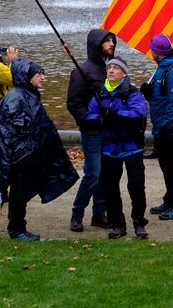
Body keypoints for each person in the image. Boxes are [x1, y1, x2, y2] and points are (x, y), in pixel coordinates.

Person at [0, 58, 79, 241]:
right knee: (19, 193)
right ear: (27, 77)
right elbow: (13, 131)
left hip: (25, 156)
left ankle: (18, 227)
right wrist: (21, 156)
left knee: (22, 192)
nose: (43, 77)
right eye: (39, 74)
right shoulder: (17, 98)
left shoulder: (27, 94)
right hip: (19, 158)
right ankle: (16, 229)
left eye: (43, 73)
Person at [85, 57, 149, 239]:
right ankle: (117, 224)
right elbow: (90, 115)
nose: (111, 70)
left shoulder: (133, 93)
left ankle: (139, 222)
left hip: (132, 146)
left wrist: (115, 114)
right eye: (109, 68)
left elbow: (138, 114)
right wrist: (99, 119)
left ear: (124, 73)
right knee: (110, 187)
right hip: (109, 148)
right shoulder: (100, 94)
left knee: (136, 186)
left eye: (116, 68)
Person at [65, 28, 116, 232]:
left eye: (113, 41)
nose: (112, 44)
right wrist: (88, 120)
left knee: (105, 174)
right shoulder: (82, 71)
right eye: (107, 41)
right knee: (93, 174)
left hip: (109, 130)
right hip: (92, 132)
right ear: (96, 45)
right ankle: (77, 213)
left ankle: (99, 213)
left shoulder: (110, 68)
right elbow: (73, 102)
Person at [141, 34, 173, 220]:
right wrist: (149, 94)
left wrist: (165, 127)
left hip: (171, 130)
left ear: (157, 52)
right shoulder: (163, 67)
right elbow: (161, 98)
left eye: (152, 49)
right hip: (162, 128)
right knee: (166, 166)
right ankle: (170, 200)